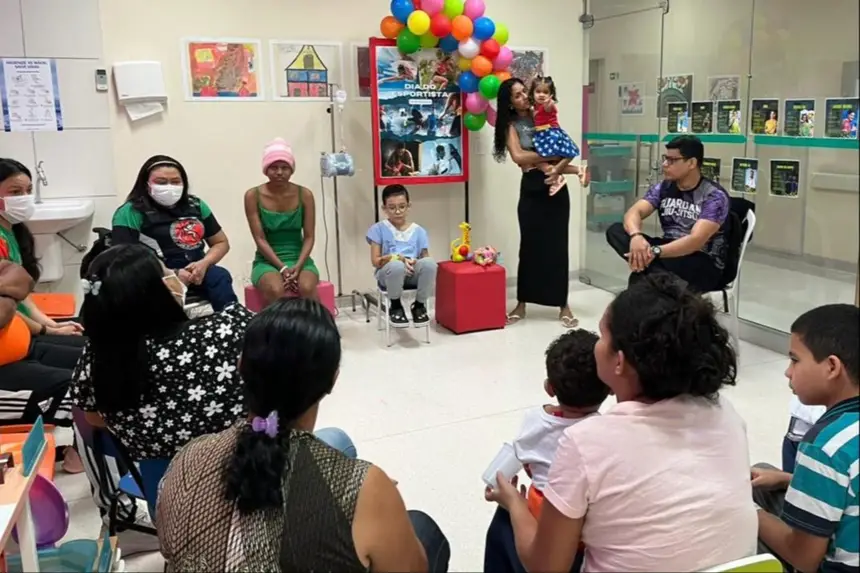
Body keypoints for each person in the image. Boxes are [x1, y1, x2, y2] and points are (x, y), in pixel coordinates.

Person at [485, 274, 757, 572]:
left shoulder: (586, 441)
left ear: (620, 362)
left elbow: (546, 568)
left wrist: (514, 503)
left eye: (602, 336)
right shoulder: (726, 414)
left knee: (506, 525)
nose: (595, 345)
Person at [157, 298, 451, 572]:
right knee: (424, 529)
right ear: (332, 379)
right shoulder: (368, 487)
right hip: (353, 497)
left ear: (240, 366)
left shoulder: (189, 456)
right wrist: (377, 499)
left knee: (336, 440)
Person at [71, 244, 252, 509]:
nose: (175, 277)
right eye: (168, 272)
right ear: (157, 290)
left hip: (169, 505)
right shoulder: (229, 329)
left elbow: (93, 418)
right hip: (249, 486)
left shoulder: (100, 357)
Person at [752, 304, 859, 573]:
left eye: (795, 360)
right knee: (766, 474)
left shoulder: (824, 444)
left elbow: (804, 558)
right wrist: (789, 479)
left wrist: (747, 511)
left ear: (832, 367)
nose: (788, 371)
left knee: (741, 519)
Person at [493, 77, 583, 328]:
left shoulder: (543, 112)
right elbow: (519, 157)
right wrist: (551, 155)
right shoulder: (510, 124)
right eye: (518, 95)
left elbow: (564, 146)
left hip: (555, 187)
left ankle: (563, 305)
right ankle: (522, 303)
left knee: (557, 245)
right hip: (532, 187)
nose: (524, 97)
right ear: (509, 102)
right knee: (530, 246)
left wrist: (558, 163)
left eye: (525, 92)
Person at [605, 134, 730, 293]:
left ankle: (655, 275)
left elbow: (695, 241)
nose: (664, 164)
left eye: (672, 160)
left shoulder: (714, 195)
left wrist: (654, 252)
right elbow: (634, 212)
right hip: (668, 251)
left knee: (640, 279)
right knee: (616, 231)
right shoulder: (665, 187)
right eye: (665, 158)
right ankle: (663, 278)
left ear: (692, 163)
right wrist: (636, 236)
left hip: (702, 260)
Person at [111, 155, 237, 312]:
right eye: (161, 182)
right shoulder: (130, 212)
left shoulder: (196, 205)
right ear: (146, 184)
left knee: (220, 276)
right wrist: (172, 273)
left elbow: (221, 242)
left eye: (176, 182)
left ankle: (231, 323)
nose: (169, 186)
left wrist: (204, 263)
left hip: (197, 269)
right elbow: (124, 256)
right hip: (155, 274)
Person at [0, 159, 85, 338]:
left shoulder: (14, 231)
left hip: (24, 326)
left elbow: (20, 295)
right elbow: (5, 309)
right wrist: (49, 331)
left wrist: (51, 323)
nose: (25, 198)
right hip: (12, 330)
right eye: (15, 192)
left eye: (29, 190)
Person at [244, 138, 319, 307]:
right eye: (274, 167)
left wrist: (298, 266)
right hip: (267, 261)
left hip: (300, 259)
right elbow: (260, 238)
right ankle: (277, 331)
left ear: (291, 170)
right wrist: (282, 268)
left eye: (284, 167)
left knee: (306, 287)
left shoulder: (305, 194)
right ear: (265, 169)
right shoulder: (252, 195)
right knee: (275, 289)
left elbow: (309, 237)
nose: (279, 172)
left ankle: (316, 330)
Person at [367, 184, 437, 327]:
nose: (397, 211)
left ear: (408, 206)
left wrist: (413, 262)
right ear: (384, 208)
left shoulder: (419, 231)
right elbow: (375, 261)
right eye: (392, 208)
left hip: (411, 273)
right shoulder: (378, 229)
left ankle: (419, 305)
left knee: (430, 263)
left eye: (402, 206)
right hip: (388, 274)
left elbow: (424, 257)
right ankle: (396, 306)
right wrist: (396, 258)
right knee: (397, 266)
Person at [528, 76, 582, 193]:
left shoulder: (548, 105)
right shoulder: (535, 107)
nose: (542, 95)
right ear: (532, 93)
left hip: (550, 134)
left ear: (551, 94)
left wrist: (549, 103)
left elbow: (548, 107)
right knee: (543, 162)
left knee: (541, 160)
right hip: (542, 134)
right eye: (538, 91)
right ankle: (566, 173)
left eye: (545, 92)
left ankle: (557, 175)